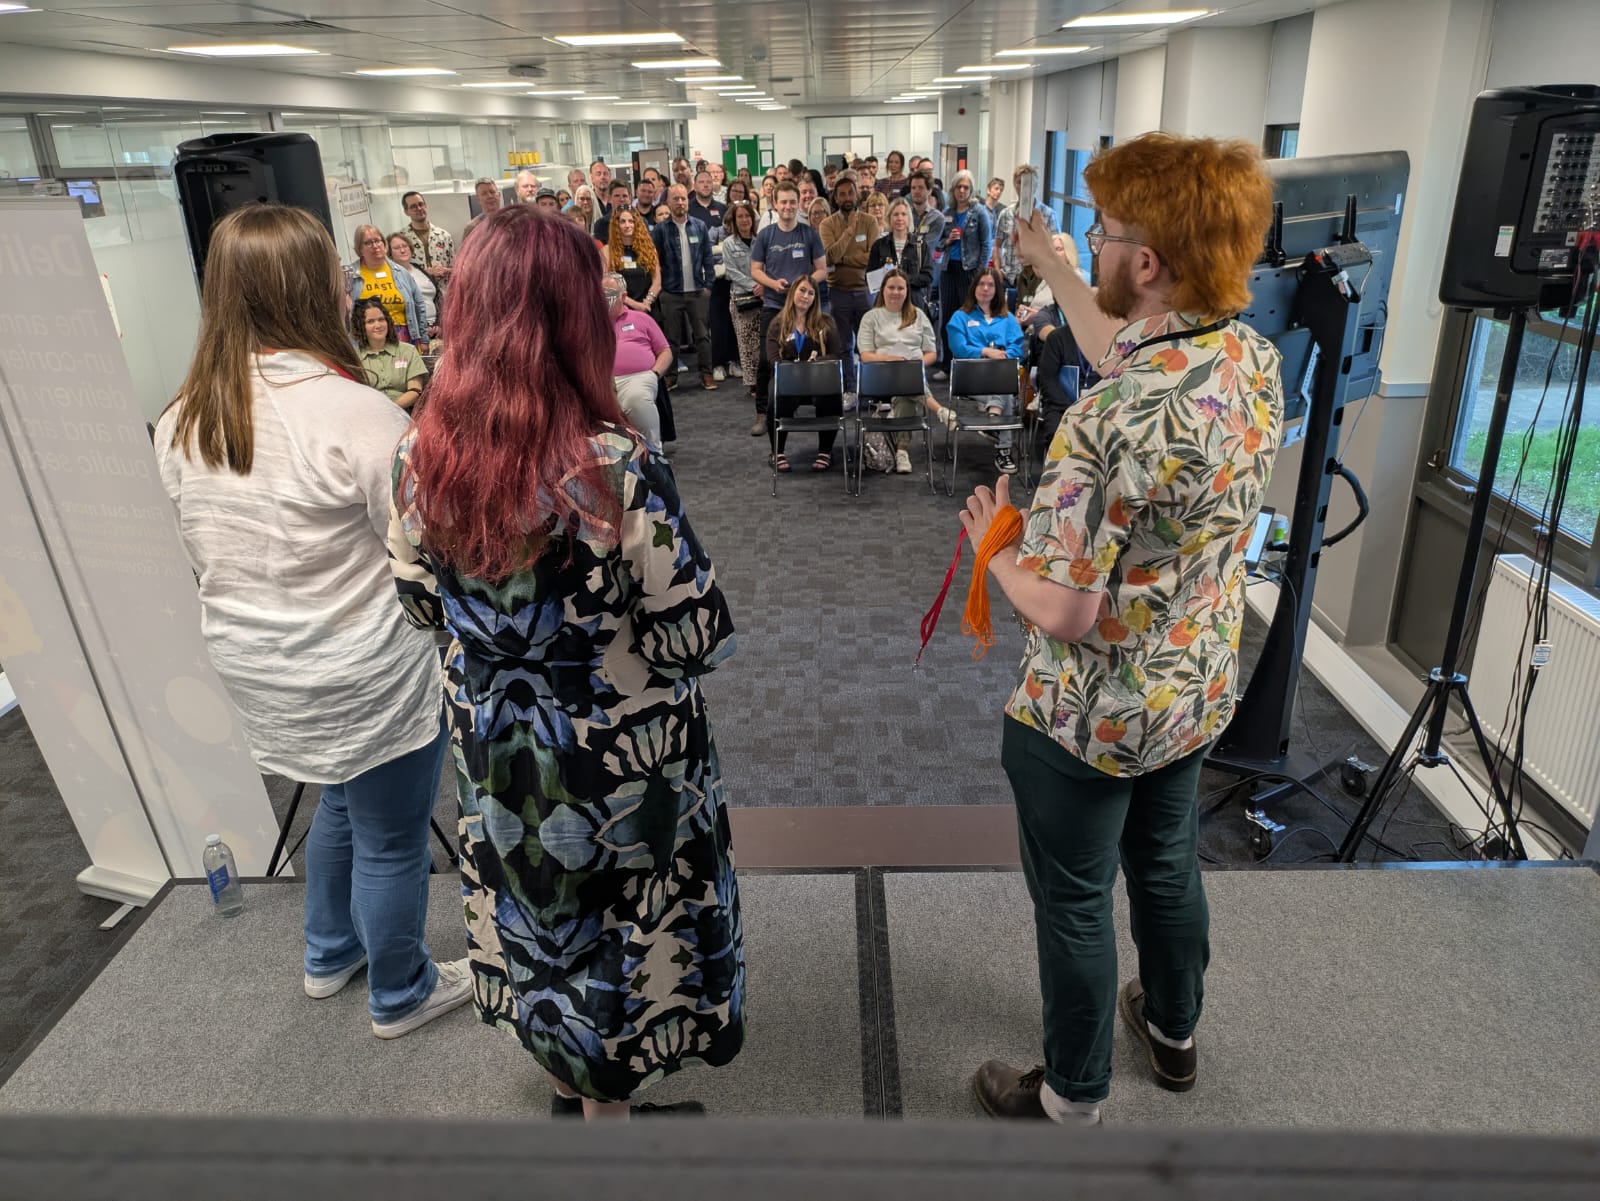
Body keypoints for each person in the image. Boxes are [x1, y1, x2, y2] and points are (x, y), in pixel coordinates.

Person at [389, 204, 744, 1120]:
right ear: (574, 318)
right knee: (621, 940)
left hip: (499, 755)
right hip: (613, 762)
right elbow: (692, 632)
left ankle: (566, 1082)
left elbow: (420, 606)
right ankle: (608, 1124)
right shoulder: (615, 468)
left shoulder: (418, 458)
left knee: (538, 922)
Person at [963, 132, 1283, 1129]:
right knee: (1167, 863)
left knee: (1073, 901)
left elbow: (1064, 607)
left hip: (1088, 718)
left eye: (1099, 234)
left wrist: (992, 549)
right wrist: (1052, 265)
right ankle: (1174, 1032)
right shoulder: (1248, 359)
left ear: (1145, 263)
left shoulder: (1104, 423)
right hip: (1190, 690)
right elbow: (1131, 351)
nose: (1090, 245)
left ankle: (1071, 1094)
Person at [155, 204, 470, 1043]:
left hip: (260, 665)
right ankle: (401, 991)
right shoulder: (356, 413)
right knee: (391, 836)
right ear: (312, 290)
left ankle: (329, 951)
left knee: (337, 795)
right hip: (358, 664)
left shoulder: (182, 416)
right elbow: (422, 546)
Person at [856, 268, 954, 474]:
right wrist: (889, 359)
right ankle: (939, 411)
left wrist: (916, 364)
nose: (895, 292)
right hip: (881, 374)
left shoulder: (918, 315)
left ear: (907, 291)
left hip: (912, 373)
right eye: (891, 287)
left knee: (906, 394)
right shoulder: (871, 317)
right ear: (883, 290)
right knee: (909, 381)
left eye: (900, 288)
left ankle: (902, 451)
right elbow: (865, 355)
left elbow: (931, 353)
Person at [750, 180, 827, 437]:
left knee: (811, 357)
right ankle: (762, 413)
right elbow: (755, 270)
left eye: (792, 202)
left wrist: (802, 287)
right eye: (783, 202)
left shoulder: (809, 234)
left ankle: (810, 405)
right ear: (774, 204)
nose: (788, 206)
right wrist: (773, 284)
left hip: (805, 309)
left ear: (798, 204)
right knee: (766, 361)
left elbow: (821, 270)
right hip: (774, 306)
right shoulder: (766, 235)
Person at [945, 265, 1024, 475]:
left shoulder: (1007, 318)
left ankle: (993, 420)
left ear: (997, 290)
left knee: (1003, 383)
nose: (986, 288)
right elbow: (959, 348)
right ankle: (1003, 449)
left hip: (1000, 375)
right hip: (971, 379)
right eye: (981, 284)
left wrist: (1004, 355)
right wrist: (986, 352)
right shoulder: (960, 317)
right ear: (974, 288)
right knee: (1005, 390)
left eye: (990, 285)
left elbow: (1017, 347)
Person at [764, 276, 841, 474]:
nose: (806, 296)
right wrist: (794, 370)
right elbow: (773, 359)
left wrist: (814, 365)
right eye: (802, 290)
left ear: (815, 298)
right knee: (775, 396)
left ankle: (825, 451)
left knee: (831, 395)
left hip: (818, 379)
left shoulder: (826, 322)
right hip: (789, 380)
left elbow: (835, 355)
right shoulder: (777, 323)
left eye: (811, 293)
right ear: (793, 292)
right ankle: (777, 452)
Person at [650, 184, 717, 391]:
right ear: (668, 202)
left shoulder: (699, 226)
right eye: (676, 199)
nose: (680, 202)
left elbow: (708, 258)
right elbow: (654, 262)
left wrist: (708, 285)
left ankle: (706, 374)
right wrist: (660, 289)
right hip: (671, 292)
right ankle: (671, 376)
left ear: (688, 201)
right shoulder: (661, 230)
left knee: (703, 336)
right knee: (671, 339)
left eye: (683, 198)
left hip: (697, 291)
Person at [819, 175, 879, 393]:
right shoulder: (827, 224)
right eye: (842, 194)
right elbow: (830, 257)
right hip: (839, 292)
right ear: (835, 198)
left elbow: (872, 258)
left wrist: (844, 259)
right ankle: (850, 390)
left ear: (857, 195)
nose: (847, 198)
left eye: (850, 193)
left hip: (865, 292)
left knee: (868, 345)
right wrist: (850, 232)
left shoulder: (870, 222)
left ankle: (871, 390)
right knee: (844, 346)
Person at [602, 272, 671, 449]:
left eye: (609, 294)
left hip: (639, 377)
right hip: (602, 380)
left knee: (636, 398)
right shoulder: (592, 324)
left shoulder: (641, 319)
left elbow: (665, 352)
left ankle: (653, 451)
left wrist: (654, 374)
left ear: (623, 296)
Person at [938, 170, 995, 376]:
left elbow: (986, 244)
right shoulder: (947, 213)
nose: (962, 191)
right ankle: (947, 365)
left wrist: (980, 275)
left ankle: (968, 367)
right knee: (948, 320)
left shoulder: (979, 212)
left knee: (969, 319)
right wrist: (947, 241)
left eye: (966, 187)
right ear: (953, 189)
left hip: (969, 272)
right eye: (958, 187)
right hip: (948, 270)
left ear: (971, 190)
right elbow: (938, 244)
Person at [347, 224, 424, 345]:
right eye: (368, 243)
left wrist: (423, 339)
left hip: (404, 338)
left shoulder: (401, 272)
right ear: (360, 248)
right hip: (368, 342)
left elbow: (419, 304)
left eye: (378, 241)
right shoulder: (350, 276)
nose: (375, 246)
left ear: (384, 244)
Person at [994, 164, 1060, 302]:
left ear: (1036, 186)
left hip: (1034, 280)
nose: (1024, 187)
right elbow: (997, 245)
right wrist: (997, 269)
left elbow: (1056, 247)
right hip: (1008, 277)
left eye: (1028, 183)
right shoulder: (1005, 214)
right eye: (1020, 182)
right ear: (1014, 184)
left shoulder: (1048, 214)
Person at [719, 201, 763, 401]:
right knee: (746, 344)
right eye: (740, 217)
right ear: (734, 221)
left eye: (747, 216)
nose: (744, 220)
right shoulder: (729, 243)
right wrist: (754, 285)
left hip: (763, 297)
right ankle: (752, 383)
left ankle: (764, 379)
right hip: (741, 298)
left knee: (761, 342)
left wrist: (763, 286)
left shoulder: (759, 240)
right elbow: (731, 272)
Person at [352, 298, 428, 410]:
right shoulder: (353, 357)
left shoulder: (408, 350)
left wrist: (390, 409)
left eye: (381, 319)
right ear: (360, 326)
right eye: (370, 321)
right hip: (368, 412)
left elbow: (415, 391)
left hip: (404, 412)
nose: (378, 325)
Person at [868, 196, 934, 314]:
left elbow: (928, 277)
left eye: (903, 214)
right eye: (895, 214)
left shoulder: (920, 245)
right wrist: (886, 276)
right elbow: (869, 277)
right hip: (885, 305)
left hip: (913, 304)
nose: (900, 218)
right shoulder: (879, 245)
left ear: (909, 218)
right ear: (889, 218)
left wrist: (902, 278)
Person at [606, 206, 661, 314]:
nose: (627, 225)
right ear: (616, 225)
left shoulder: (650, 249)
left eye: (631, 221)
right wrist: (635, 305)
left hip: (649, 308)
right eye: (622, 222)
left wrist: (647, 302)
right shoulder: (607, 251)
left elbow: (657, 282)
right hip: (622, 309)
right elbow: (608, 286)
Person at [387, 232, 439, 342]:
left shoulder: (418, 268)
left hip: (436, 327)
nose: (402, 250)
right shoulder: (392, 275)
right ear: (389, 253)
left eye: (405, 246)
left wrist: (438, 324)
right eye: (397, 248)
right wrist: (423, 328)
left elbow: (437, 298)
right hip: (416, 331)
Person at [399, 191, 454, 292]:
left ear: (426, 206)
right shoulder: (401, 239)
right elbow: (398, 273)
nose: (419, 208)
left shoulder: (444, 235)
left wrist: (445, 270)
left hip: (444, 293)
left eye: (421, 204)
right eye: (413, 206)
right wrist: (426, 272)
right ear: (406, 212)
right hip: (418, 293)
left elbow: (454, 267)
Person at [461, 176, 505, 241]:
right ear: (478, 199)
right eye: (484, 194)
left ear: (499, 195)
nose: (490, 196)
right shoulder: (472, 228)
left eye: (492, 192)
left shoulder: (512, 221)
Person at [689, 167, 727, 233]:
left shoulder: (723, 209)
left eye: (709, 182)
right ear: (694, 186)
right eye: (701, 182)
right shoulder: (687, 209)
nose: (705, 185)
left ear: (712, 185)